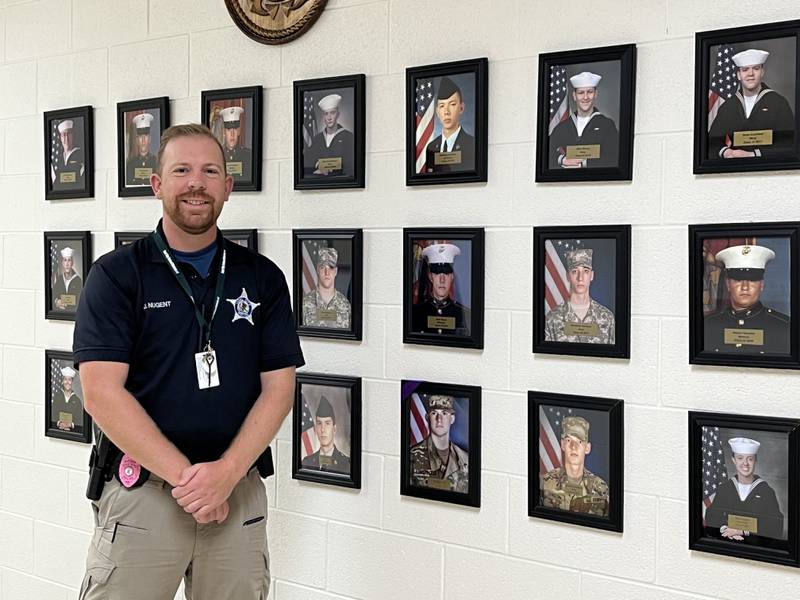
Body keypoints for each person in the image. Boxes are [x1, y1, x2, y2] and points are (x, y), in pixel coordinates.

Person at [73, 123, 304, 599]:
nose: (197, 182)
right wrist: (191, 482)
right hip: (144, 498)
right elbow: (100, 393)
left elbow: (279, 389)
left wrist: (224, 475)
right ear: (157, 184)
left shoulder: (262, 278)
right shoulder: (117, 276)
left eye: (210, 171)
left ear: (227, 187)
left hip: (236, 492)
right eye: (182, 169)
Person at [708, 49, 795, 160]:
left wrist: (754, 154)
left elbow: (789, 142)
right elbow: (712, 142)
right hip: (734, 169)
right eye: (745, 70)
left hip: (769, 167)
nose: (750, 74)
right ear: (738, 75)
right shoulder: (728, 106)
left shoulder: (778, 103)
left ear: (762, 72)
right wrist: (726, 152)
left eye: (756, 68)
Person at [704, 244, 789, 354]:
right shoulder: (708, 325)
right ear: (728, 285)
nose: (745, 287)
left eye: (752, 280)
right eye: (738, 280)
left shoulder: (783, 326)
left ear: (762, 285)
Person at [705, 437, 785, 545]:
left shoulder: (766, 491)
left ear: (755, 460)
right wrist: (725, 530)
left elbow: (775, 524)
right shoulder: (724, 489)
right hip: (726, 544)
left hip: (755, 548)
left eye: (750, 459)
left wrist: (742, 531)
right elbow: (712, 516)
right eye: (740, 458)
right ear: (733, 460)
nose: (745, 463)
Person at [540, 415, 609, 516]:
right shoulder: (546, 482)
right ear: (563, 444)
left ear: (587, 448)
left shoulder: (601, 488)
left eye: (579, 441)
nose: (573, 447)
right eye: (568, 440)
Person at [549, 71, 619, 169]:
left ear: (595, 94)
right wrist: (562, 160)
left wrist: (583, 163)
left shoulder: (607, 125)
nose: (585, 97)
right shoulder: (563, 127)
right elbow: (545, 152)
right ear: (574, 96)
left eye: (590, 92)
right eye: (581, 93)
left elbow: (614, 157)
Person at [544, 248, 615, 344]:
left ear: (592, 275)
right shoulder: (552, 319)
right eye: (574, 271)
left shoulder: (607, 318)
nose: (580, 278)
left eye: (585, 271)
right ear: (568, 276)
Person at [409, 395, 469, 493]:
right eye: (434, 413)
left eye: (444, 413)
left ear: (452, 419)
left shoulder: (465, 459)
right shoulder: (412, 457)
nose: (439, 419)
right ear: (427, 417)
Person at [411, 242, 471, 336]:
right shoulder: (415, 313)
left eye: (446, 274)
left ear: (451, 277)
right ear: (431, 277)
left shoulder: (465, 315)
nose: (442, 280)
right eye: (437, 273)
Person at [424, 76, 475, 173]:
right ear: (437, 112)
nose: (446, 112)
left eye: (452, 104)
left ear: (461, 108)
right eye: (442, 106)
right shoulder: (431, 147)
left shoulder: (472, 144)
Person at [304, 93, 354, 177]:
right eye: (326, 114)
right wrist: (318, 166)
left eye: (332, 113)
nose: (329, 117)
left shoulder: (349, 137)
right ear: (323, 117)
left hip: (341, 182)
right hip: (320, 184)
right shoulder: (317, 139)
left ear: (338, 114)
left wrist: (331, 168)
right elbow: (307, 161)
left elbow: (351, 164)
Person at [302, 246, 351, 329]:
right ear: (317, 269)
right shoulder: (305, 304)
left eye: (331, 267)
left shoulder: (345, 305)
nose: (326, 272)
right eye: (323, 267)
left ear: (336, 271)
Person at [300, 395, 350, 474]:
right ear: (316, 429)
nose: (323, 429)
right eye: (319, 423)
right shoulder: (306, 462)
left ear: (334, 429)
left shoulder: (346, 463)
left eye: (327, 423)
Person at [220, 105, 252, 181]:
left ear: (238, 131)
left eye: (234, 129)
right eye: (228, 130)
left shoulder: (249, 155)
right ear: (224, 132)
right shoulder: (218, 155)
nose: (232, 134)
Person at [51, 119, 85, 189]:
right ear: (60, 137)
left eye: (69, 133)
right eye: (64, 134)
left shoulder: (80, 155)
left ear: (73, 135)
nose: (66, 138)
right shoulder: (58, 158)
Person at [125, 112, 157, 186]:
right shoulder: (130, 164)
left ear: (149, 139)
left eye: (145, 136)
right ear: (136, 140)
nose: (143, 140)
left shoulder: (156, 163)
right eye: (140, 136)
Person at [52, 366, 84, 434]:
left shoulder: (77, 400)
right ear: (63, 381)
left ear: (72, 381)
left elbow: (80, 420)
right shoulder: (57, 397)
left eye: (69, 380)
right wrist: (59, 423)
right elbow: (53, 414)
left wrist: (70, 425)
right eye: (65, 379)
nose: (67, 382)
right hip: (57, 431)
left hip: (72, 434)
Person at [52, 246, 83, 312]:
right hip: (60, 315)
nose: (67, 264)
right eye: (65, 260)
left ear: (72, 263)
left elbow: (79, 301)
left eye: (69, 260)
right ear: (62, 263)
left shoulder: (78, 281)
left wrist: (63, 301)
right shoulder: (59, 280)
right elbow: (53, 296)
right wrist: (56, 301)